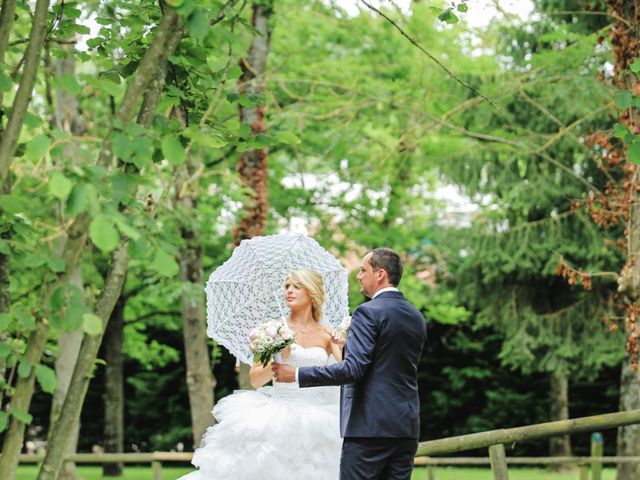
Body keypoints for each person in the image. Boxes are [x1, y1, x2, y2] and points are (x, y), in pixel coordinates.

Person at [273, 248, 427, 480]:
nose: (358, 276)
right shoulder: (415, 316)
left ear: (380, 274)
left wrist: (296, 374)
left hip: (369, 429)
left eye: (363, 270)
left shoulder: (368, 312)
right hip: (406, 428)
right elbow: (387, 363)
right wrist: (349, 345)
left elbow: (353, 369)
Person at [178, 269, 343, 480]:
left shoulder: (327, 334)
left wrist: (340, 345)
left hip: (320, 417)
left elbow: (344, 372)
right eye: (286, 286)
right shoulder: (272, 330)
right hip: (278, 414)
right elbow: (256, 380)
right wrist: (278, 350)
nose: (289, 291)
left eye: (296, 286)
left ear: (312, 293)